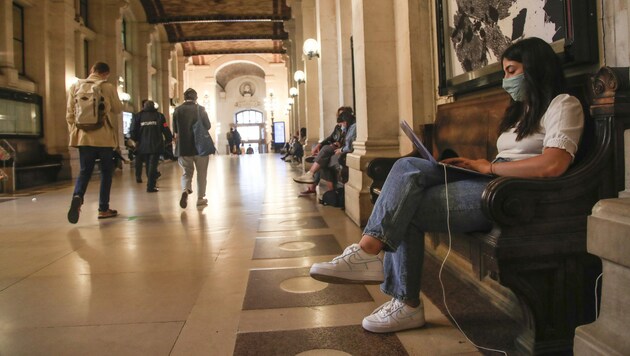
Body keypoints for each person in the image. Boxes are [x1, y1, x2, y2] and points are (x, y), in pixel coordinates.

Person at [309, 37, 584, 333]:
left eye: (512, 71)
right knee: (406, 166)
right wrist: (477, 164)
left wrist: (489, 167)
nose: (506, 80)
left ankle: (401, 298)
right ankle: (373, 258)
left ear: (535, 69)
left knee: (405, 208)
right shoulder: (523, 111)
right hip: (493, 179)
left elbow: (553, 165)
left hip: (513, 193)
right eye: (505, 71)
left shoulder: (563, 104)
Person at [66, 62, 123, 223]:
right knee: (106, 172)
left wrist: (76, 132)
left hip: (84, 138)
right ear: (106, 74)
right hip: (104, 139)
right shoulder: (108, 87)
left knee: (85, 171)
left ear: (92, 70)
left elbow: (69, 114)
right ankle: (103, 209)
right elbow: (118, 109)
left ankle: (78, 195)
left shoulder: (76, 86)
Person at [293, 107, 354, 193]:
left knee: (324, 154)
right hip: (335, 148)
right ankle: (314, 181)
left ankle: (311, 175)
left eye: (343, 115)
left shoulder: (351, 126)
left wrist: (340, 145)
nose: (341, 117)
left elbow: (349, 143)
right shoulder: (338, 127)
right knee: (322, 158)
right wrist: (319, 144)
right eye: (339, 115)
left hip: (341, 150)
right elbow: (331, 137)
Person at [173, 88, 211, 208]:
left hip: (183, 147)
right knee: (202, 173)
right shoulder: (200, 109)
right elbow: (208, 126)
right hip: (200, 147)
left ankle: (185, 190)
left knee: (187, 172)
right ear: (196, 98)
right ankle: (200, 198)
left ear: (184, 97)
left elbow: (175, 131)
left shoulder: (177, 110)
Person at [129, 100, 172, 192]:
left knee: (148, 164)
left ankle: (150, 184)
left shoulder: (138, 116)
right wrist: (169, 139)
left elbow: (132, 130)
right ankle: (150, 186)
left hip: (142, 145)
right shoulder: (159, 116)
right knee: (152, 165)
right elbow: (165, 128)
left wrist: (136, 140)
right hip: (156, 144)